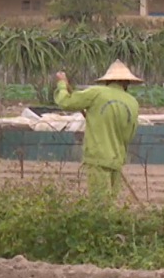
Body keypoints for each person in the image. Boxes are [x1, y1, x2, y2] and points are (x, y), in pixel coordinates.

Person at [54, 60, 141, 194]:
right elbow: (128, 135)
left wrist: (62, 85)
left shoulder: (96, 93)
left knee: (99, 204)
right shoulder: (133, 103)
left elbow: (66, 102)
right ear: (127, 83)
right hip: (117, 160)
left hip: (97, 159)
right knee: (109, 205)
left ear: (107, 81)